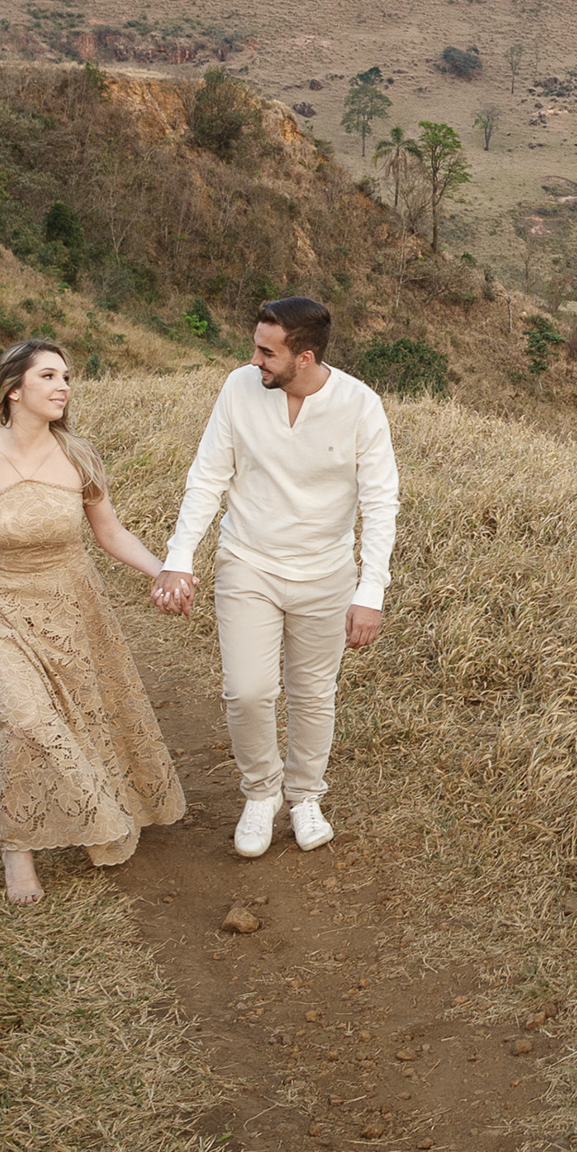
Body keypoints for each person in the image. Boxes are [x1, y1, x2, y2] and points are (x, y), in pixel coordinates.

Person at [0, 339, 190, 904]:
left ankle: (92, 813)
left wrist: (164, 571)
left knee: (79, 718)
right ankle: (17, 847)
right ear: (13, 389)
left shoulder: (79, 457)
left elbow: (109, 531)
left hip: (73, 607)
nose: (63, 386)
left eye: (66, 376)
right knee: (24, 719)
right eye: (48, 376)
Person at [152, 294, 397, 857]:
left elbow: (381, 502)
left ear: (304, 358)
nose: (254, 360)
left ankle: (305, 795)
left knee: (313, 695)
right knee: (248, 691)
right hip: (248, 562)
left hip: (326, 573)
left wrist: (371, 591)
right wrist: (179, 556)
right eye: (256, 348)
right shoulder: (239, 388)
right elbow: (207, 477)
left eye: (267, 352)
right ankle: (261, 794)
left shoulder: (360, 405)